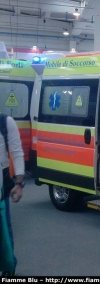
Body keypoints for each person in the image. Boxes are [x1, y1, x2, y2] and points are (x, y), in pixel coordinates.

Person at [0, 114, 25, 277]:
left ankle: (9, 266)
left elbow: (17, 152)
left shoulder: (5, 122)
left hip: (1, 185)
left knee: (4, 229)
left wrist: (19, 183)